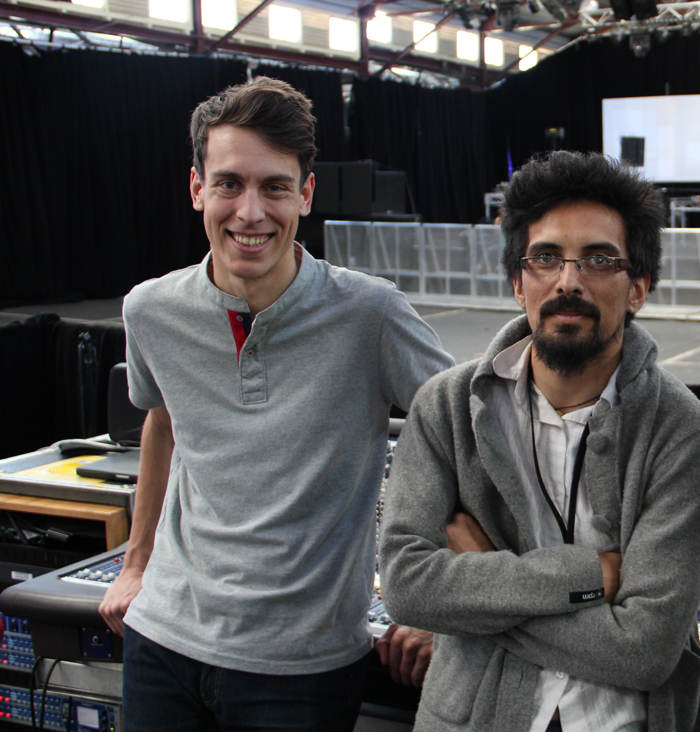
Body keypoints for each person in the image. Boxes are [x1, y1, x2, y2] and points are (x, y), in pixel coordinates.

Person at [98, 77, 454, 730]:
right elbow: (162, 422)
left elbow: (468, 446)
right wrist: (136, 563)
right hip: (162, 644)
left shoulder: (370, 314)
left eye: (275, 187)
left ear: (306, 194)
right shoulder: (150, 309)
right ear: (197, 188)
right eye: (230, 184)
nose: (251, 212)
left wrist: (440, 605)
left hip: (302, 669)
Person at [378, 150, 700, 732]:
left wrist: (481, 576)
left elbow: (644, 650)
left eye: (599, 260)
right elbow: (409, 588)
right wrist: (587, 578)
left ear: (637, 288)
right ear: (519, 283)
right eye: (545, 258)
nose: (568, 281)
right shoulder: (445, 406)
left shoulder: (683, 433)